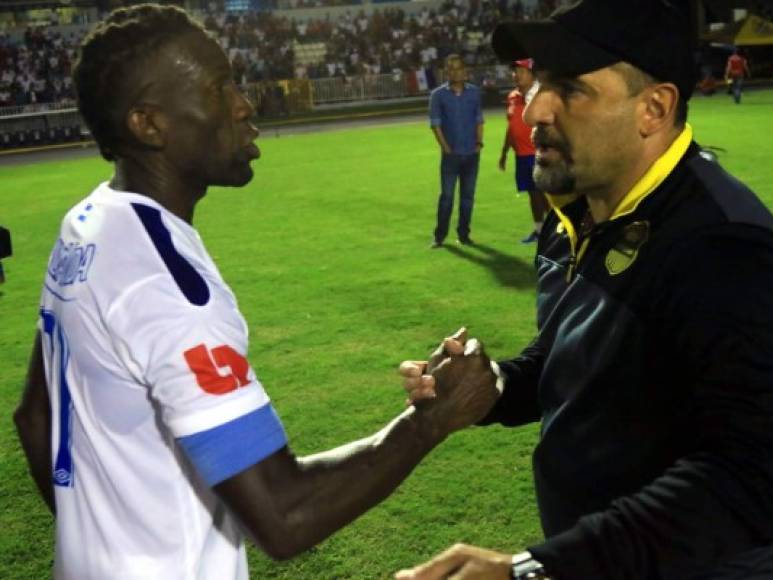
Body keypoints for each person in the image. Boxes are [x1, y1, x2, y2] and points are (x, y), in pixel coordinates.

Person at [12, 6, 498, 579]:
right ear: (149, 125)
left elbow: (34, 418)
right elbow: (284, 514)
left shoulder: (88, 223)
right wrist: (431, 420)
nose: (244, 105)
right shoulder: (166, 286)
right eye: (219, 90)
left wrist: (106, 543)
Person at [396, 0, 773, 578]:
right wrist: (494, 386)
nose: (536, 107)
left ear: (654, 108)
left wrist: (535, 568)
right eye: (540, 81)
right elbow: (576, 360)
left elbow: (753, 475)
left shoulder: (720, 244)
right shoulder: (576, 217)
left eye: (569, 87)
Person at [429, 54, 484, 248]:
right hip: (451, 156)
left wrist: (479, 144)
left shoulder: (474, 93)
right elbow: (435, 125)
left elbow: (479, 119)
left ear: (465, 71)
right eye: (451, 69)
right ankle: (439, 236)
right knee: (447, 198)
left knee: (467, 198)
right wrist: (446, 149)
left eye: (458, 68)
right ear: (446, 72)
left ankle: (464, 234)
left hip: (471, 154)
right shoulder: (438, 95)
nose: (455, 72)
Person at [498, 58, 549, 245]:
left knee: (546, 195)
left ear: (531, 74)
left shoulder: (540, 94)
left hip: (539, 153)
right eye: (514, 72)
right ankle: (539, 230)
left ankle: (560, 231)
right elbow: (511, 127)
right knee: (532, 193)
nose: (516, 75)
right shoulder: (513, 96)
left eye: (520, 71)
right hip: (521, 155)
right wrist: (504, 152)